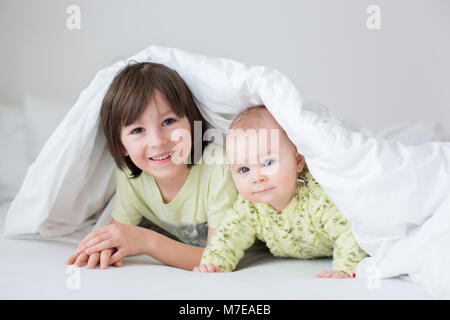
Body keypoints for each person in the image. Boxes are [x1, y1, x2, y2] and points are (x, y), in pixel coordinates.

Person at [66, 62, 237, 270]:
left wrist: (147, 241)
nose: (157, 141)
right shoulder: (132, 176)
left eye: (168, 121)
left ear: (191, 123)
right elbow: (120, 233)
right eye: (138, 130)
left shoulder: (217, 167)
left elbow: (218, 259)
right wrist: (102, 248)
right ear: (122, 147)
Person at [193, 106, 368, 278]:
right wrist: (215, 264)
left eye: (268, 163)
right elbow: (229, 235)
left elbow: (349, 232)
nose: (257, 178)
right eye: (244, 169)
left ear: (298, 161)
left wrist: (344, 270)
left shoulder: (318, 196)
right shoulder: (249, 206)